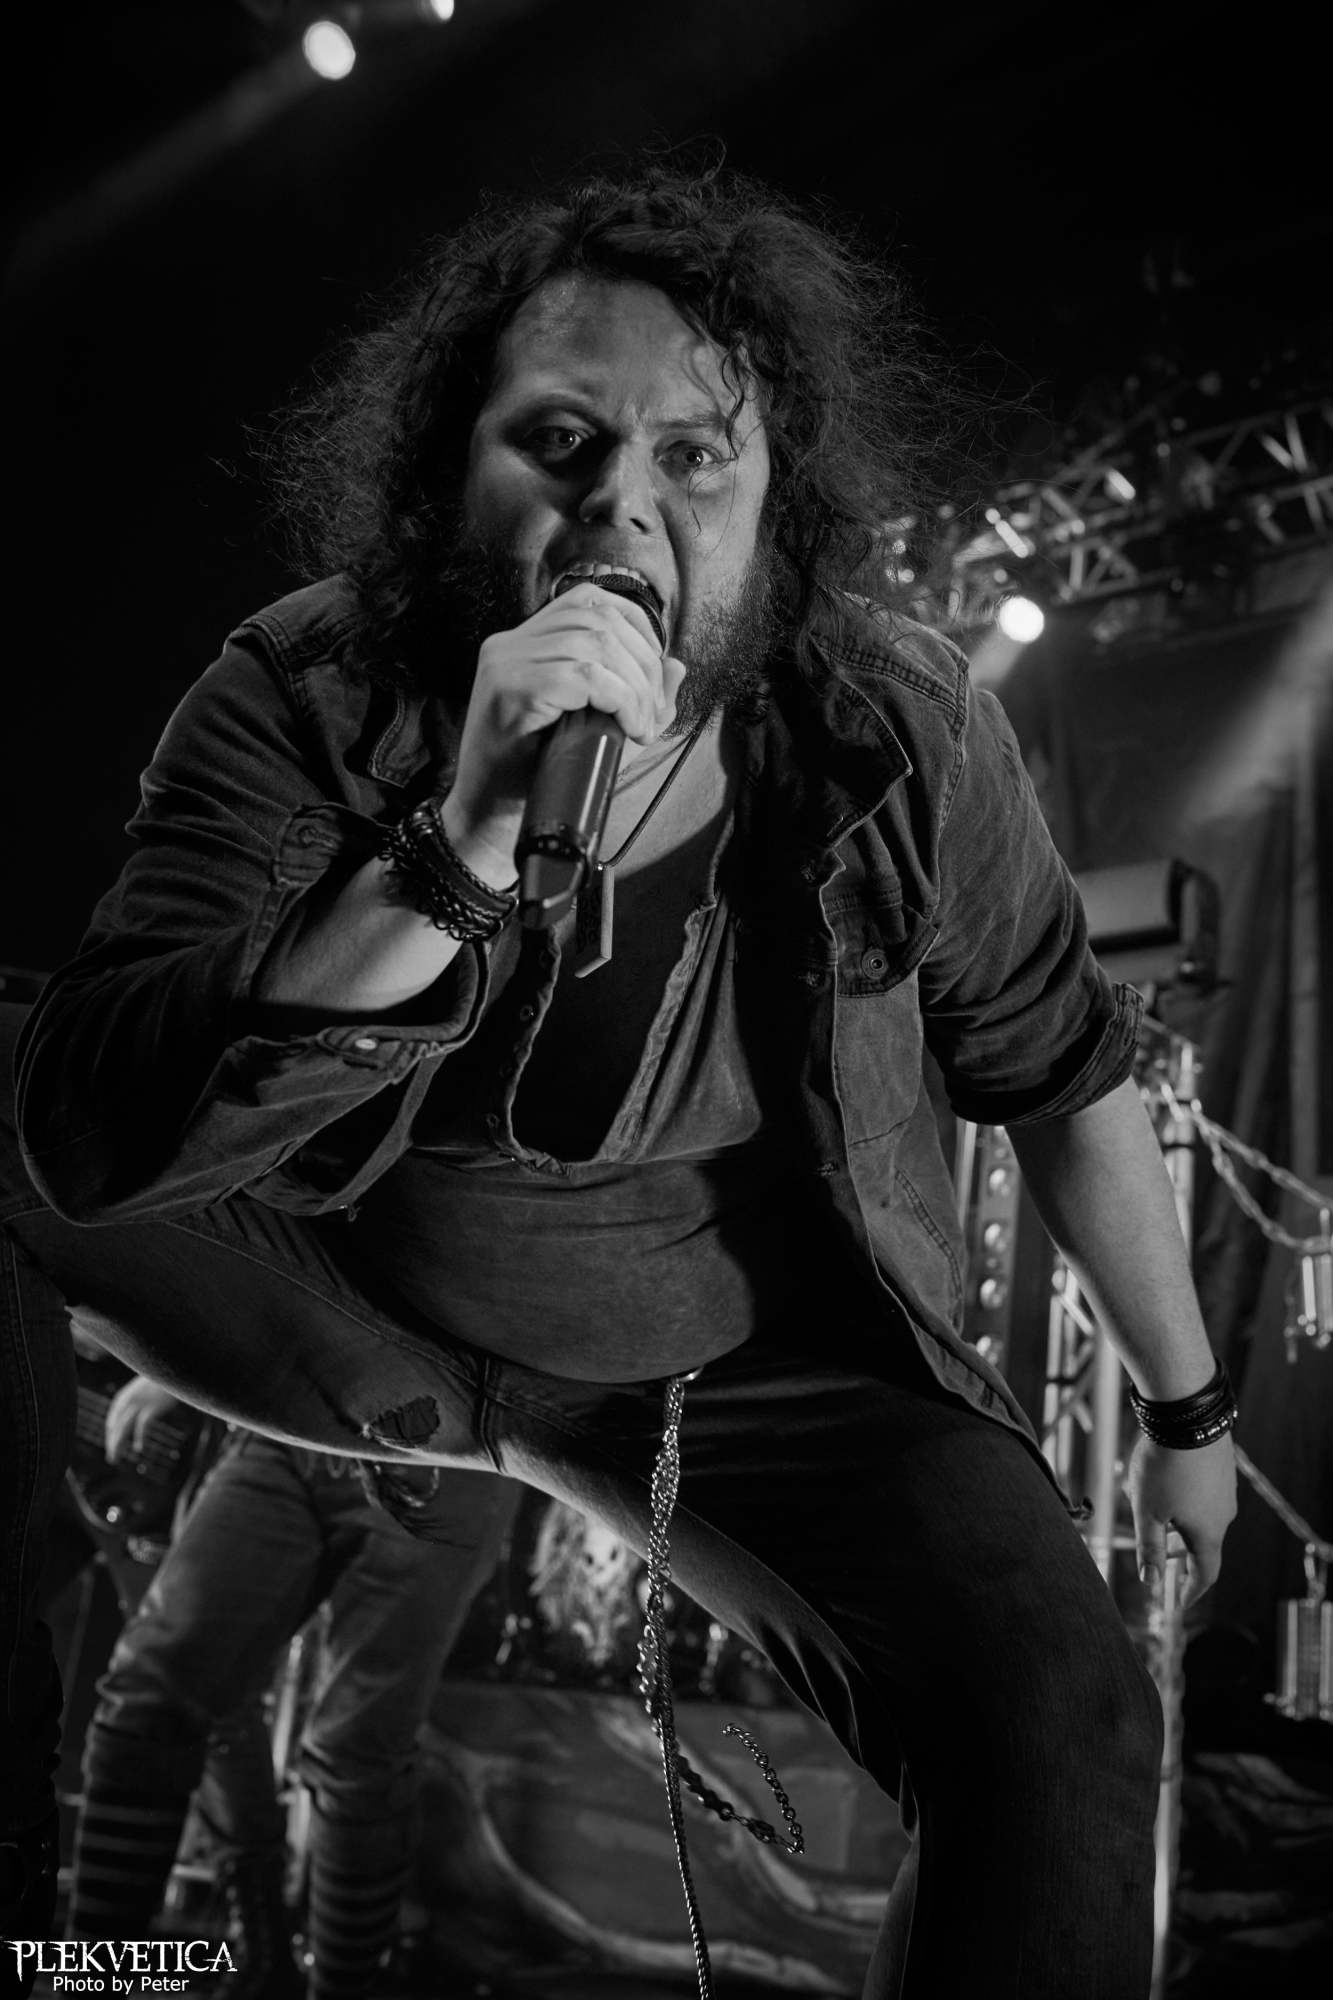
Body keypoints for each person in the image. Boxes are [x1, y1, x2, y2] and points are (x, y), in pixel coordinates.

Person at [2, 163, 1238, 1999]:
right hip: (346, 1298)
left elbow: (1062, 1075)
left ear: (774, 497)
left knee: (1068, 1728)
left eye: (691, 458)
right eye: (562, 442)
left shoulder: (896, 731)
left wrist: (1191, 1420)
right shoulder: (303, 691)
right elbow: (90, 1132)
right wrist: (451, 851)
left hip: (739, 1384)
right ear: (455, 477)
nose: (620, 509)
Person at [65, 1360, 520, 2000]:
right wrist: (175, 1368)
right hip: (282, 1425)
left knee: (354, 1752)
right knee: (147, 1695)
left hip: (445, 1441)